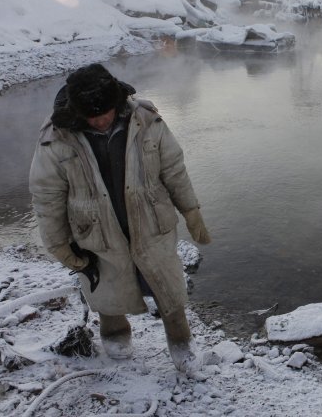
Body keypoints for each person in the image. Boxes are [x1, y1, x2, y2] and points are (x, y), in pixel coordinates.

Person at [29, 63, 211, 373]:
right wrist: (58, 243)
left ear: (117, 101)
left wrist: (191, 210)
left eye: (106, 112)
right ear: (77, 111)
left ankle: (181, 343)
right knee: (105, 289)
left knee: (169, 289)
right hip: (95, 230)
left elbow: (173, 168)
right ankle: (114, 335)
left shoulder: (146, 120)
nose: (100, 121)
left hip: (151, 222)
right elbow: (47, 196)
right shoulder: (55, 139)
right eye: (92, 116)